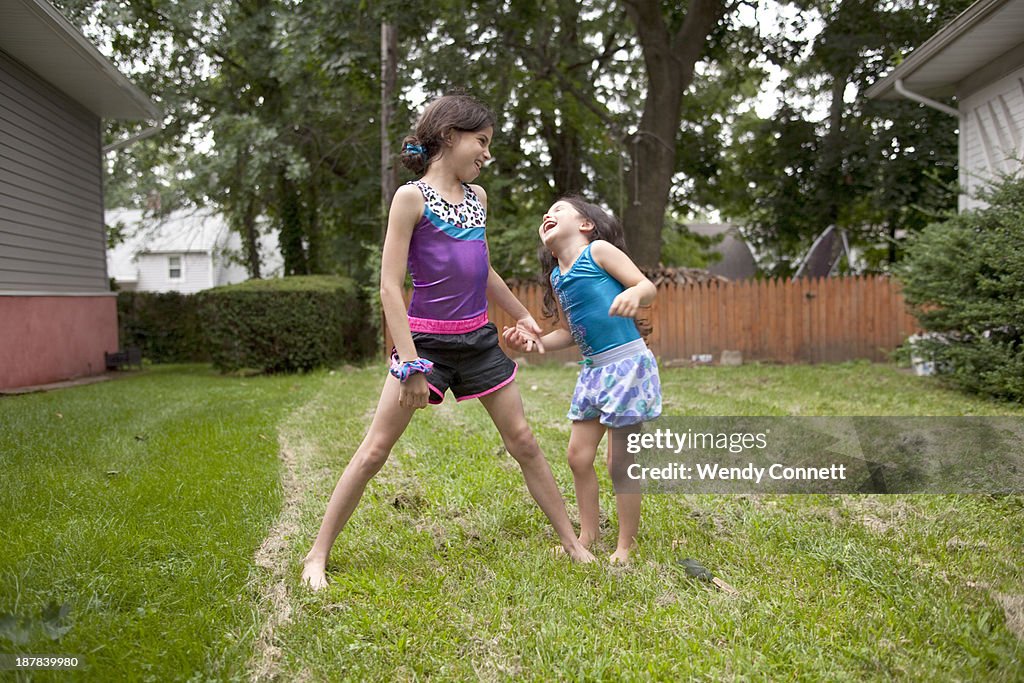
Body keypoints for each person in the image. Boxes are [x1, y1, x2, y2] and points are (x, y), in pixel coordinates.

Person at [301, 95, 596, 590]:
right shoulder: (410, 198)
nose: (486, 154)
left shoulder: (478, 200)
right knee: (375, 451)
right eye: (481, 142)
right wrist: (410, 365)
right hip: (424, 346)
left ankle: (572, 543)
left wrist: (524, 315)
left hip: (478, 340)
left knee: (523, 440)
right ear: (449, 135)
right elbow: (390, 287)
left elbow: (480, 270)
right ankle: (316, 555)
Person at [503, 197, 662, 564]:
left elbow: (646, 286)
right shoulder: (559, 277)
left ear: (586, 224)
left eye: (558, 210)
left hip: (627, 365)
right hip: (593, 370)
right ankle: (587, 535)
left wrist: (634, 293)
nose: (548, 215)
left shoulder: (599, 252)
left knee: (619, 463)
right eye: (546, 213)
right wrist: (534, 342)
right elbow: (570, 332)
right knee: (577, 456)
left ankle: (626, 544)